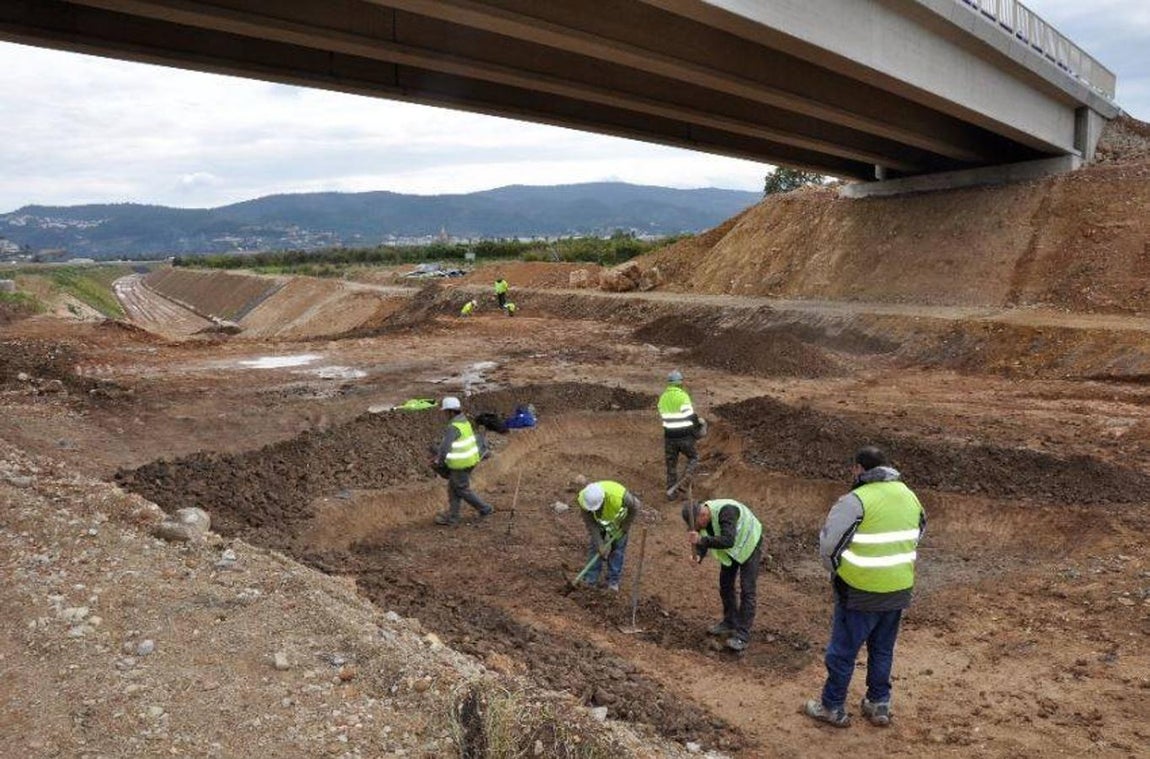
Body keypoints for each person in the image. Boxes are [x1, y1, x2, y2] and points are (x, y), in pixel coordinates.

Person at [803, 446, 926, 728]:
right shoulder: (909, 495)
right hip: (898, 589)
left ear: (859, 469)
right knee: (882, 649)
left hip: (859, 591)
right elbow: (918, 531)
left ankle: (832, 706)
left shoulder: (854, 501)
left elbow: (830, 547)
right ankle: (879, 703)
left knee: (843, 652)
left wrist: (838, 572)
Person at [682, 498, 762, 652]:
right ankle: (730, 621)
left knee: (747, 590)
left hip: (750, 543)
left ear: (703, 514)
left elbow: (727, 540)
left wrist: (701, 540)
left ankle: (742, 635)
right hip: (732, 552)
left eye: (698, 524)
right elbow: (702, 539)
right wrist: (698, 555)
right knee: (725, 585)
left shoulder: (726, 511)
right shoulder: (702, 518)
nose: (697, 528)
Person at [432, 396, 495, 526]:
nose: (444, 415)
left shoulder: (453, 427)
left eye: (445, 412)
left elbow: (445, 447)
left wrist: (439, 461)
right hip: (470, 460)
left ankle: (485, 508)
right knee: (453, 488)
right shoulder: (464, 422)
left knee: (461, 489)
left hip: (460, 464)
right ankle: (453, 517)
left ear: (450, 411)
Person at [577, 480, 641, 592]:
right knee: (595, 548)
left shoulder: (619, 496)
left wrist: (626, 525)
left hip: (618, 522)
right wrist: (600, 544)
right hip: (600, 523)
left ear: (603, 500)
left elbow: (636, 506)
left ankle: (613, 582)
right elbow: (591, 525)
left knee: (618, 550)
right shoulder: (584, 500)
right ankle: (590, 580)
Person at [659, 369, 701, 499]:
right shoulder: (682, 396)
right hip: (684, 436)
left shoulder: (663, 397)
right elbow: (689, 415)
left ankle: (671, 493)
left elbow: (662, 414)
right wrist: (698, 425)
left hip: (669, 437)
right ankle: (684, 482)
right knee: (693, 458)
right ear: (679, 383)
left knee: (671, 465)